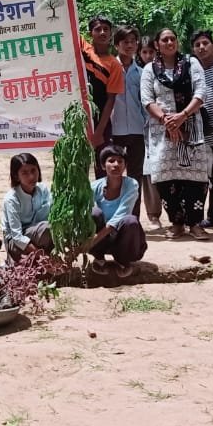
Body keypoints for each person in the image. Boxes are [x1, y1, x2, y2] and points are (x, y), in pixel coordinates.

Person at [140, 28, 212, 240]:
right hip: (162, 131)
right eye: (165, 39)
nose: (170, 42)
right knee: (165, 176)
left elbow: (201, 92)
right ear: (157, 44)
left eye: (173, 38)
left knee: (195, 177)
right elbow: (147, 100)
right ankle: (177, 223)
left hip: (191, 128)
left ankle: (195, 223)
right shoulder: (150, 69)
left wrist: (182, 116)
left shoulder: (192, 63)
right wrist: (167, 121)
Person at [110, 26, 151, 222]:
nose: (129, 45)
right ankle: (113, 218)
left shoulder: (142, 73)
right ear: (116, 45)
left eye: (133, 42)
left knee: (135, 178)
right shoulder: (109, 69)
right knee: (114, 176)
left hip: (137, 131)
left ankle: (133, 219)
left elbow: (145, 103)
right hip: (114, 131)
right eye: (125, 42)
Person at [87, 145, 147, 278]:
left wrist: (93, 240)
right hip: (101, 240)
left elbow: (121, 214)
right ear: (103, 166)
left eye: (120, 161)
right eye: (111, 161)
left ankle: (123, 260)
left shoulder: (131, 184)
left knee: (130, 221)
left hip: (121, 237)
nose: (116, 165)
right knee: (93, 213)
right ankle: (99, 257)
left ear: (125, 166)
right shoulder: (94, 187)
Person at [190, 30, 213, 228]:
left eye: (205, 43)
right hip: (203, 135)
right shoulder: (193, 71)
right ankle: (210, 217)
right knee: (210, 178)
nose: (202, 47)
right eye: (197, 45)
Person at [81, 15, 126, 157]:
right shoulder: (83, 49)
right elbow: (67, 28)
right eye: (98, 29)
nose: (102, 32)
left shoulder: (114, 65)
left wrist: (99, 132)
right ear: (90, 33)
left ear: (111, 33)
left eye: (106, 29)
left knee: (102, 163)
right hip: (79, 117)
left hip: (100, 121)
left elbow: (110, 100)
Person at [2, 152, 53, 259]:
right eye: (25, 173)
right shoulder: (12, 199)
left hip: (37, 234)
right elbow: (17, 236)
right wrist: (42, 256)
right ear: (16, 176)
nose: (31, 176)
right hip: (15, 242)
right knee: (47, 228)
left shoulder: (43, 190)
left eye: (33, 170)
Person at [135, 34, 164, 226]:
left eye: (151, 52)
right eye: (144, 52)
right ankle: (153, 214)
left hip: (162, 124)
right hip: (142, 127)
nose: (148, 56)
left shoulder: (164, 71)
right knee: (148, 171)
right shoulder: (137, 72)